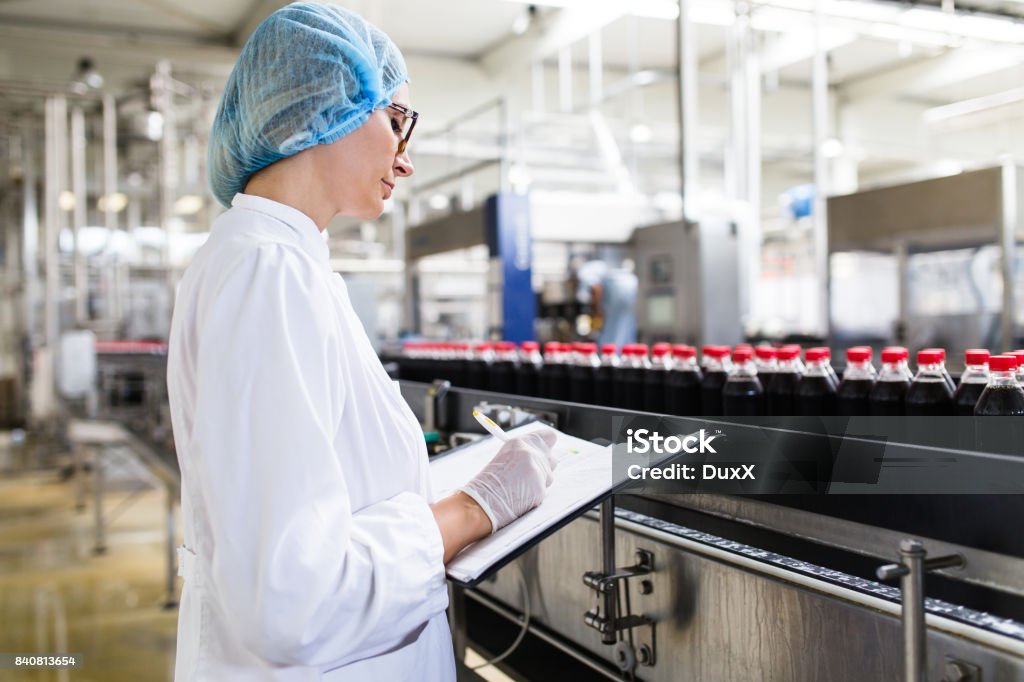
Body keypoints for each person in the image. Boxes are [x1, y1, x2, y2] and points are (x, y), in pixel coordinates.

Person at [167, 4, 557, 680]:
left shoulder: (278, 262)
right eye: (398, 120)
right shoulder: (269, 272)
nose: (406, 163)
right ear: (326, 107)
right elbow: (292, 600)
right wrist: (474, 509)